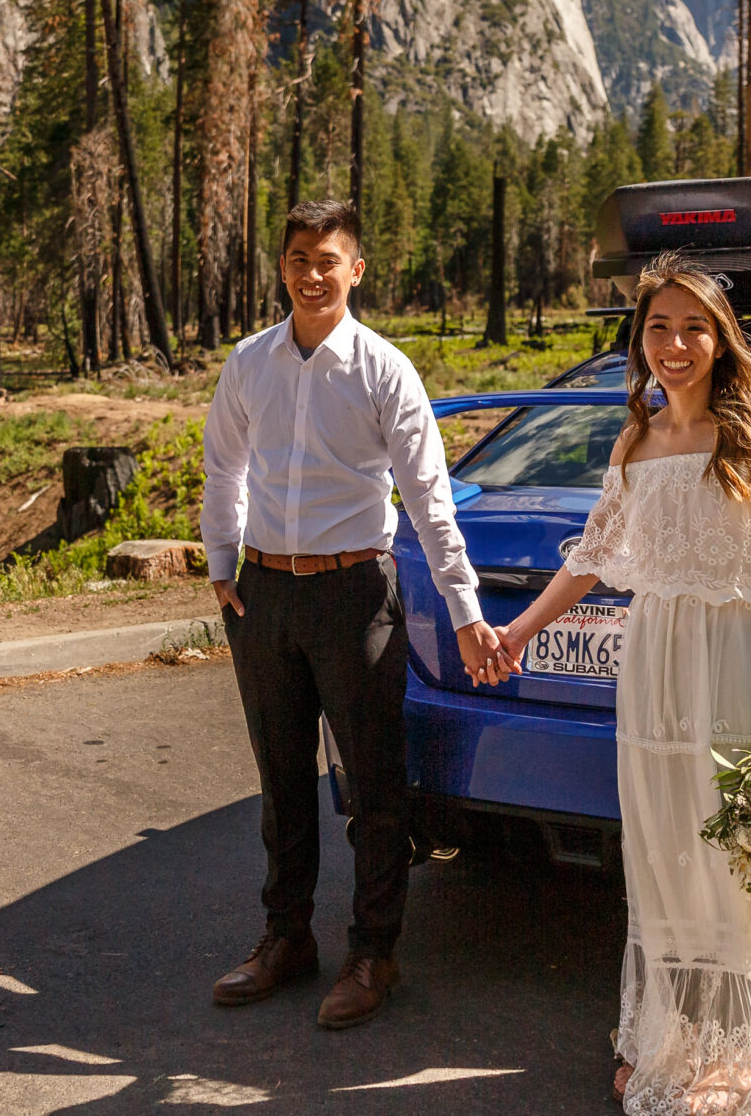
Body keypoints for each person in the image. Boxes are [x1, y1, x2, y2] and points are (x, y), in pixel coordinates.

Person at [498, 255, 751, 1115]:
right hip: (653, 669)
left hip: (739, 664)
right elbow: (587, 559)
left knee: (738, 854)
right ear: (641, 339)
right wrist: (517, 630)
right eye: (658, 326)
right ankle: (680, 1037)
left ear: (722, 339)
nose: (675, 343)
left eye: (694, 326)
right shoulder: (636, 440)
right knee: (665, 853)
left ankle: (742, 1050)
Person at [201, 199, 514, 1030]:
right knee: (281, 780)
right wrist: (221, 566)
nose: (312, 274)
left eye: (327, 260)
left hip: (354, 596)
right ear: (282, 265)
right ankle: (285, 939)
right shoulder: (250, 362)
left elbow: (428, 501)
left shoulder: (384, 371)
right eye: (299, 257)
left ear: (356, 270)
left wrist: (463, 607)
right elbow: (223, 468)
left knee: (376, 784)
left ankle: (373, 952)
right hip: (264, 596)